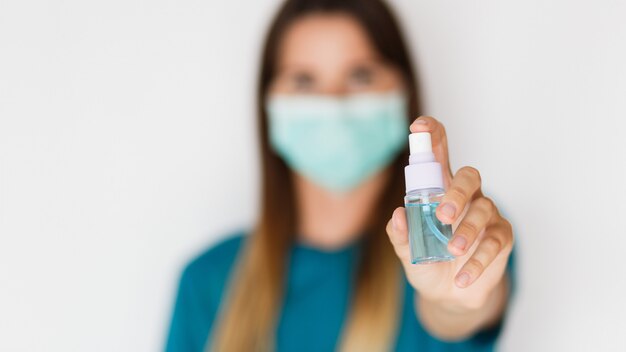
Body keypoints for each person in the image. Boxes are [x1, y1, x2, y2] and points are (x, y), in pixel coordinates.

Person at [166, 0, 516, 351]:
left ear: (403, 91)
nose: (332, 101)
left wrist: (454, 302)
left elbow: (461, 311)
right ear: (268, 102)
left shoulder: (457, 236)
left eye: (360, 75)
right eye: (304, 81)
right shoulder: (207, 281)